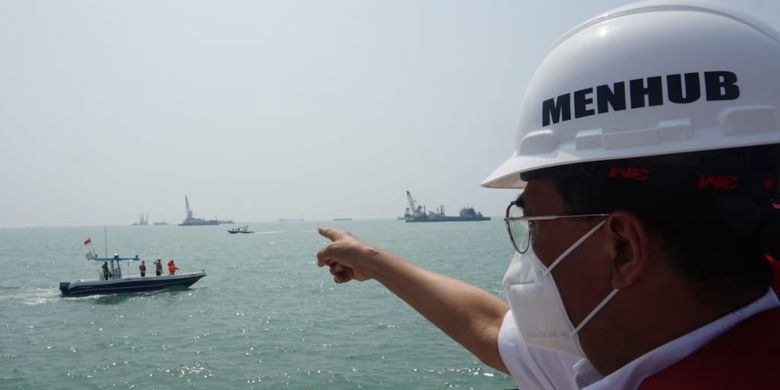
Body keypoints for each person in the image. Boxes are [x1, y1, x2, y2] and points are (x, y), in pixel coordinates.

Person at [316, 1, 780, 388]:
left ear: (622, 248)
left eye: (532, 221)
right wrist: (372, 260)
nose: (528, 253)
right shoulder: (676, 331)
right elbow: (491, 328)